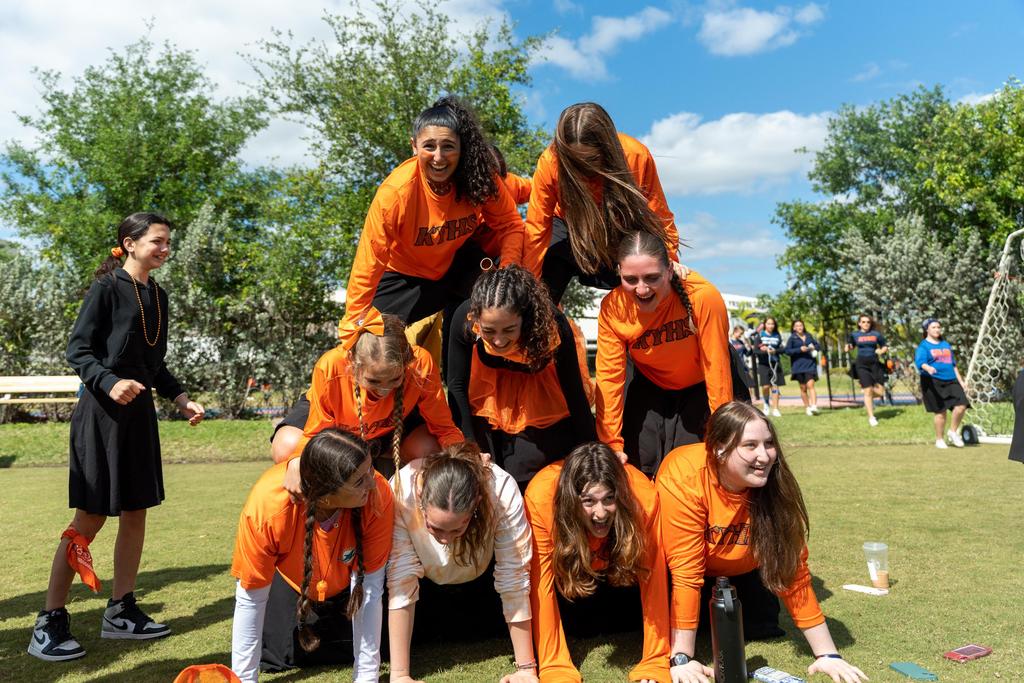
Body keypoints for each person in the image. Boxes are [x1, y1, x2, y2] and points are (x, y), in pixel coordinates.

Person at [28, 213, 205, 662]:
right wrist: (108, 382)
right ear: (129, 243)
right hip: (102, 414)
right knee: (89, 518)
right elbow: (78, 350)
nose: (165, 249)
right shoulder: (106, 289)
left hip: (139, 416)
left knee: (136, 510)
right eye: (157, 241)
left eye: (168, 242)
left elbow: (154, 363)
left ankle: (121, 610)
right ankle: (49, 621)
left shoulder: (159, 296)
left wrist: (181, 399)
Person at [657, 402, 868, 683]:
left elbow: (793, 571)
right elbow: (686, 572)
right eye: (750, 445)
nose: (764, 455)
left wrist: (828, 655)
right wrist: (682, 658)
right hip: (678, 574)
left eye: (769, 443)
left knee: (762, 626)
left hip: (739, 574)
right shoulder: (686, 477)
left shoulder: (773, 483)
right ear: (719, 449)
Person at [342, 95, 524, 329]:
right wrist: (354, 324)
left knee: (502, 304)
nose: (439, 157)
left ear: (461, 147)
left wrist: (506, 277)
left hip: (457, 265)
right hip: (404, 276)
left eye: (448, 146)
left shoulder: (479, 178)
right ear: (414, 146)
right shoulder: (396, 194)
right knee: (369, 334)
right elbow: (369, 261)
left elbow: (511, 225)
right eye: (429, 146)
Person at [231, 429, 394, 682]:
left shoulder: (378, 494)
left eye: (370, 470)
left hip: (344, 585)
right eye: (359, 481)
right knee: (281, 653)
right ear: (326, 494)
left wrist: (367, 677)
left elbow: (370, 590)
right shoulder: (267, 508)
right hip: (293, 583)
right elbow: (251, 598)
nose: (372, 483)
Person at [387, 442, 537, 683]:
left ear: (477, 503)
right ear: (421, 497)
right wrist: (400, 676)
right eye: (435, 528)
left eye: (457, 528)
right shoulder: (401, 490)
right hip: (425, 595)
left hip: (483, 588)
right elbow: (401, 577)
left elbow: (514, 574)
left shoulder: (501, 490)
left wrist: (526, 669)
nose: (445, 539)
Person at [596, 230, 741, 476]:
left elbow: (715, 367)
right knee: (641, 464)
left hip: (703, 385)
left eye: (652, 278)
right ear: (619, 272)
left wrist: (723, 431)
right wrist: (611, 443)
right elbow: (609, 378)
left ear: (670, 270)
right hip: (652, 385)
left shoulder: (702, 296)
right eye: (630, 279)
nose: (642, 289)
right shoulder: (613, 308)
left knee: (697, 465)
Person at [524, 442, 670, 683]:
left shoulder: (643, 497)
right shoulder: (542, 498)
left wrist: (656, 661)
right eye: (589, 501)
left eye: (609, 498)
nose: (600, 513)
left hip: (622, 584)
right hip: (571, 587)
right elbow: (542, 586)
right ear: (572, 500)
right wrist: (554, 667)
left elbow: (654, 579)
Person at [276, 309, 464, 491]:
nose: (383, 391)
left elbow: (443, 426)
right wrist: (296, 460)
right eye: (373, 381)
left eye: (395, 380)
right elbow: (316, 430)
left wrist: (464, 456)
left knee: (430, 449)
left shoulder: (420, 363)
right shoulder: (330, 366)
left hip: (392, 428)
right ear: (352, 362)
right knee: (286, 447)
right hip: (335, 428)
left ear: (406, 363)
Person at [447, 264, 596, 490]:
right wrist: (468, 447)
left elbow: (574, 391)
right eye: (489, 331)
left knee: (530, 469)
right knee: (485, 469)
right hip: (487, 394)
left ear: (524, 318)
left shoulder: (552, 325)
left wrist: (592, 450)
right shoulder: (465, 318)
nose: (498, 341)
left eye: (509, 330)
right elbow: (456, 385)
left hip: (537, 396)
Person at [523, 102, 680, 304]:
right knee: (545, 256)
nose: (582, 169)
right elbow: (536, 228)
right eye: (574, 161)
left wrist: (669, 262)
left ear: (608, 149)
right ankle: (540, 316)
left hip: (616, 241)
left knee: (648, 272)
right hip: (571, 236)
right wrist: (528, 287)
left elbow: (660, 216)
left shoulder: (635, 156)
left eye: (591, 159)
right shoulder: (550, 162)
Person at [914, 319, 970, 449]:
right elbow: (920, 362)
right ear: (927, 330)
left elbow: (953, 365)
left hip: (951, 380)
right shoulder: (923, 346)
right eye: (933, 327)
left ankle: (952, 432)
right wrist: (928, 368)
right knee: (941, 412)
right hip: (932, 381)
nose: (937, 329)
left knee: (962, 405)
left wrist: (961, 381)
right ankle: (939, 439)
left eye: (938, 327)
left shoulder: (945, 344)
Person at [845, 314, 888, 427]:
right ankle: (872, 417)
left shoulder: (876, 334)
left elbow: (884, 346)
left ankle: (867, 396)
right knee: (868, 391)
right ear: (859, 323)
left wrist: (881, 351)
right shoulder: (854, 334)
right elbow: (851, 345)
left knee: (880, 392)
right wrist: (848, 347)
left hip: (875, 364)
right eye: (863, 322)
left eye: (868, 322)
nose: (866, 324)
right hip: (861, 364)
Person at [784, 320, 820, 417]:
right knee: (803, 388)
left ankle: (814, 406)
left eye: (801, 325)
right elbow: (787, 351)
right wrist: (799, 349)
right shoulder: (792, 338)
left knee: (810, 385)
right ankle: (807, 407)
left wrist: (813, 347)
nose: (799, 327)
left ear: (803, 326)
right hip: (798, 366)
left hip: (810, 364)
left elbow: (818, 346)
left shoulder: (809, 336)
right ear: (794, 328)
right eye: (797, 326)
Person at [753, 317, 785, 418]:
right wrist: (765, 351)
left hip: (775, 364)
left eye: (772, 324)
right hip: (764, 365)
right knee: (766, 386)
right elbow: (755, 351)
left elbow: (783, 349)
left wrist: (775, 351)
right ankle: (766, 404)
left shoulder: (777, 335)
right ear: (765, 324)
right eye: (768, 323)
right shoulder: (759, 336)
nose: (771, 326)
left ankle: (775, 408)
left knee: (775, 387)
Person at [729, 325, 755, 401]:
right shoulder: (729, 341)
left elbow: (747, 354)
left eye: (742, 334)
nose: (741, 335)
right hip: (734, 367)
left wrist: (750, 348)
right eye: (740, 333)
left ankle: (748, 401)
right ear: (735, 331)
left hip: (743, 367)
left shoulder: (741, 342)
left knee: (749, 385)